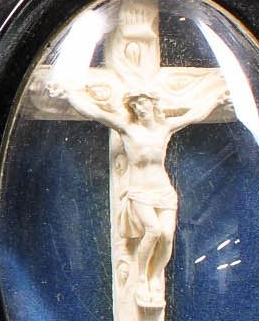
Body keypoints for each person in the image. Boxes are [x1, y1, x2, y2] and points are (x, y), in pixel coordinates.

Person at [46, 81, 227, 308]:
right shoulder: (127, 129)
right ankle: (141, 278)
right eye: (135, 105)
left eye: (142, 103)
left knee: (167, 236)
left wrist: (216, 99)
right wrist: (68, 93)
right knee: (153, 231)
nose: (139, 108)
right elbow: (94, 112)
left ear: (152, 104)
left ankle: (154, 276)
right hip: (140, 191)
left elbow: (194, 115)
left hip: (164, 190)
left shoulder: (165, 128)